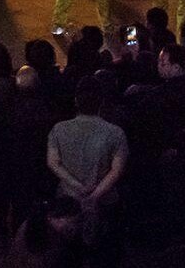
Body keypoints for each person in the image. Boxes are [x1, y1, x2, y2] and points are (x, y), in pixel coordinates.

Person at [45, 78, 128, 254]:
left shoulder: (58, 129)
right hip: (105, 200)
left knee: (68, 251)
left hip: (68, 199)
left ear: (76, 101)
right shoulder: (115, 132)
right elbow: (117, 170)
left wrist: (78, 186)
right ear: (101, 101)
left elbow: (53, 163)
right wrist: (95, 195)